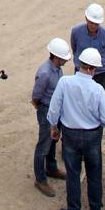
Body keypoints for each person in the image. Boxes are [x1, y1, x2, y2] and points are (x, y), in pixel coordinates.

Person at [47, 46, 105, 210]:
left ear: (79, 64)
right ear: (94, 69)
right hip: (92, 136)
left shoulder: (65, 83)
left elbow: (54, 109)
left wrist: (54, 126)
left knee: (73, 174)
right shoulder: (98, 89)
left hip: (70, 134)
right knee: (94, 173)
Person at [31, 38, 70, 196]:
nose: (66, 61)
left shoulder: (56, 68)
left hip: (55, 108)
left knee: (53, 139)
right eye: (63, 58)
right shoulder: (45, 73)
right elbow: (36, 96)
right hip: (46, 109)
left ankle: (51, 168)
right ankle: (40, 179)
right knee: (44, 144)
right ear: (55, 57)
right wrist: (42, 108)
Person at [70, 3, 105, 91]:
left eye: (96, 23)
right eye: (91, 22)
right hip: (81, 72)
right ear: (86, 18)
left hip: (100, 74)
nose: (93, 26)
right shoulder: (76, 31)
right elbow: (74, 48)